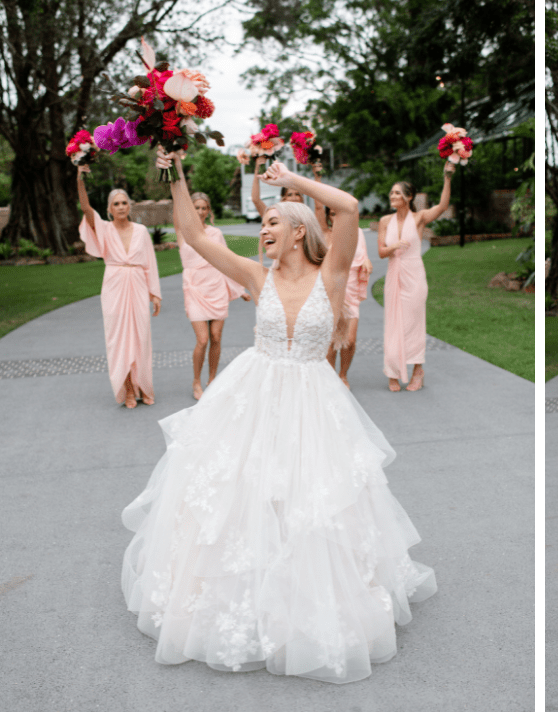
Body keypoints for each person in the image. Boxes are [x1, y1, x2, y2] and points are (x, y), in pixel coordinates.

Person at [121, 151, 436, 683]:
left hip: (313, 403)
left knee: (310, 500)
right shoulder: (254, 275)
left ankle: (306, 599)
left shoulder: (331, 274)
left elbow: (350, 206)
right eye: (263, 223)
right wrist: (174, 173)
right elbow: (194, 236)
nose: (263, 230)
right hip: (254, 394)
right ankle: (244, 597)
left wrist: (289, 180)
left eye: (272, 223)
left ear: (298, 232)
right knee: (241, 496)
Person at [76, 165, 161, 408]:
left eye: (124, 203)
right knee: (118, 339)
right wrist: (80, 177)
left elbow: (150, 264)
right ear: (109, 209)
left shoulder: (142, 231)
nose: (121, 207)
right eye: (116, 204)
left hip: (137, 285)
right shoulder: (104, 229)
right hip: (114, 286)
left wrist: (155, 294)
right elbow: (85, 207)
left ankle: (144, 385)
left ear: (130, 206)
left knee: (141, 338)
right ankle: (127, 390)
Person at [378, 163, 455, 391]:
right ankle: (392, 372)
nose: (393, 196)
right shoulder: (384, 221)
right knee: (393, 324)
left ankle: (417, 371)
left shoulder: (419, 218)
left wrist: (447, 177)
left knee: (413, 323)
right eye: (391, 192)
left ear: (408, 197)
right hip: (394, 274)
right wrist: (394, 247)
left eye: (397, 193)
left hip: (414, 276)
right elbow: (382, 252)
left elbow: (442, 206)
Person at [174, 192, 250, 400]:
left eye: (203, 208)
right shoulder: (183, 232)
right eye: (196, 208)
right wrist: (173, 180)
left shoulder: (216, 233)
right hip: (195, 288)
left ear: (208, 211)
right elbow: (177, 210)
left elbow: (227, 261)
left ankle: (213, 379)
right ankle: (196, 381)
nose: (200, 212)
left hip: (215, 285)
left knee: (216, 337)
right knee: (203, 339)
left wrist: (240, 289)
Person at [314, 173, 374, 387]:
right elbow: (318, 208)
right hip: (329, 292)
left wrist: (366, 260)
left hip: (350, 289)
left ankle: (343, 374)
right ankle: (331, 378)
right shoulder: (325, 234)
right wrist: (317, 177)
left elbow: (363, 253)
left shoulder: (356, 232)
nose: (334, 217)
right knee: (330, 342)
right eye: (331, 213)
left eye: (337, 213)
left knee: (349, 340)